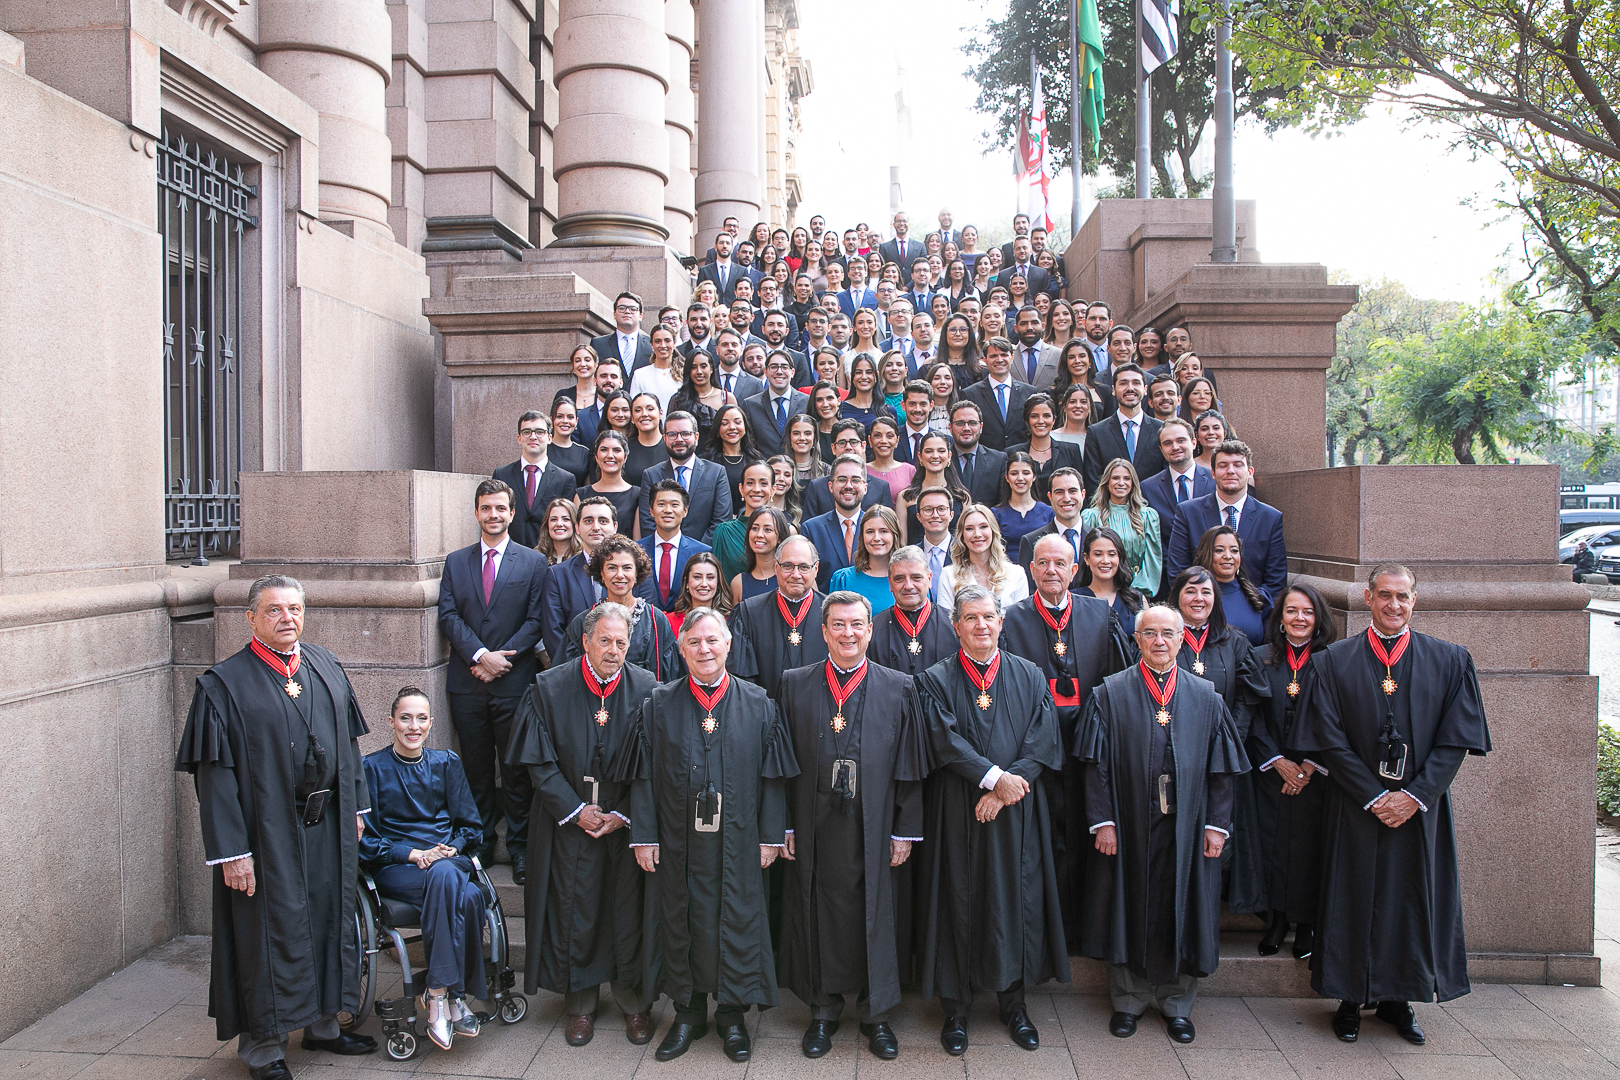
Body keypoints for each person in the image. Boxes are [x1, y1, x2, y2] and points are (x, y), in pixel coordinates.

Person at [176, 575, 375, 1079]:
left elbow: (349, 748)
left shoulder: (325, 665)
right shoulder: (223, 685)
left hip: (327, 825)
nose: (287, 618)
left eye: (294, 609)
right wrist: (230, 851)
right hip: (264, 836)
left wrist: (356, 808)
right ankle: (264, 1049)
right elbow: (214, 778)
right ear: (250, 618)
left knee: (328, 923)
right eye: (274, 610)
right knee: (267, 934)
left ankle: (325, 1027)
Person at [1292, 564, 1491, 1045]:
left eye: (1402, 597)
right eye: (1384, 596)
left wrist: (1415, 796)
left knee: (1409, 899)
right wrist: (1376, 795)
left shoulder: (1449, 660)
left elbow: (1455, 741)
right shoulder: (1333, 661)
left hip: (1420, 810)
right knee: (1352, 898)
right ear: (1367, 597)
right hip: (1355, 805)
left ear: (1415, 601)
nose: (1393, 605)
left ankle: (1399, 1000)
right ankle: (1348, 1000)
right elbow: (1328, 739)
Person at [619, 609, 794, 1062]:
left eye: (712, 641)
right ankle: (688, 1013)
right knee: (681, 921)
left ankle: (732, 1017)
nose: (705, 650)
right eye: (694, 642)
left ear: (729, 644)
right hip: (678, 842)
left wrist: (771, 836)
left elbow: (774, 779)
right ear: (681, 649)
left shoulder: (759, 703)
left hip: (739, 840)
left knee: (736, 919)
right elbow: (643, 778)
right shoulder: (658, 704)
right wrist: (645, 836)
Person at [1076, 603, 1248, 1045]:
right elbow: (1094, 769)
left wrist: (1216, 825)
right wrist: (1104, 822)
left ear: (1181, 639)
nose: (1158, 641)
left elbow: (1222, 772)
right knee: (1127, 904)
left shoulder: (1206, 697)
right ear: (1137, 640)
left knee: (1185, 906)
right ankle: (1128, 1001)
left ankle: (1176, 1003)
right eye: (1149, 633)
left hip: (1187, 828)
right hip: (1129, 824)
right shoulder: (1110, 694)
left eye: (1168, 633)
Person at [914, 586, 1068, 1055]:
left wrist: (1003, 791)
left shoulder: (1030, 674)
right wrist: (993, 777)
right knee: (956, 900)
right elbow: (942, 740)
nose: (981, 626)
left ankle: (1013, 1005)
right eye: (970, 618)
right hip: (956, 809)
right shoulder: (934, 679)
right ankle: (955, 1011)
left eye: (988, 617)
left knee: (1014, 902)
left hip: (1016, 814)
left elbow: (1043, 740)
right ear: (955, 626)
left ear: (1001, 622)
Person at [777, 592, 927, 1060]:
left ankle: (875, 1013)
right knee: (817, 910)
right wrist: (783, 825)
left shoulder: (899, 686)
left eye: (857, 625)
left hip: (876, 820)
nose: (848, 633)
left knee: (877, 911)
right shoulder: (794, 683)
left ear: (870, 629)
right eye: (838, 625)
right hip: (813, 820)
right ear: (823, 632)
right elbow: (778, 762)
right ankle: (822, 1010)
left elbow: (910, 764)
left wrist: (905, 829)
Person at [508, 603, 658, 1047]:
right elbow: (537, 759)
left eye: (622, 643)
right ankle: (580, 1005)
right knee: (577, 911)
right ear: (586, 640)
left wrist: (624, 812)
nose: (614, 650)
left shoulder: (649, 689)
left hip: (624, 823)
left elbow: (658, 764)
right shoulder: (549, 687)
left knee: (625, 913)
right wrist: (575, 809)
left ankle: (634, 1004)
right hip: (566, 822)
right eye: (606, 641)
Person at [999, 535, 1133, 954]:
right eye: (1043, 563)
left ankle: (1087, 930)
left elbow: (1118, 681)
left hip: (1089, 747)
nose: (1051, 571)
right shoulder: (1013, 619)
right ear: (1032, 570)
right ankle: (1049, 933)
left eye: (1060, 563)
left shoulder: (1100, 613)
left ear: (1076, 571)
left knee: (1088, 835)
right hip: (1037, 748)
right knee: (1046, 839)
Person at [361, 689, 487, 1051]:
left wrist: (454, 847)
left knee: (446, 872)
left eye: (421, 719)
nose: (413, 726)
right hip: (399, 866)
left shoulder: (446, 762)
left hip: (446, 858)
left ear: (431, 723)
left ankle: (437, 994)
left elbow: (471, 827)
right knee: (469, 894)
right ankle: (453, 997)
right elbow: (367, 842)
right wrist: (413, 853)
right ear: (391, 723)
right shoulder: (371, 768)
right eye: (405, 718)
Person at [436, 479, 549, 883]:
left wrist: (501, 659)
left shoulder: (533, 562)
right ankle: (481, 842)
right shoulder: (456, 561)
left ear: (512, 512)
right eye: (486, 508)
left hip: (513, 682)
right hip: (467, 682)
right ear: (477, 512)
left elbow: (537, 620)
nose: (494, 515)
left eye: (501, 508)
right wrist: (481, 655)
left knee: (516, 770)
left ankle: (519, 848)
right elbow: (448, 616)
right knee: (477, 769)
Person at [1167, 566, 1271, 917]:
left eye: (1206, 592)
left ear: (1216, 599)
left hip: (1222, 754)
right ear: (1177, 597)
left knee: (1219, 832)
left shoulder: (1234, 640)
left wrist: (1231, 734)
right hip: (1172, 754)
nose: (1198, 599)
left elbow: (1250, 695)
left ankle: (1215, 905)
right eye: (1190, 592)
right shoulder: (1163, 637)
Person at [1251, 583, 1336, 962]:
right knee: (1274, 846)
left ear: (1318, 619)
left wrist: (1307, 766)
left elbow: (1338, 719)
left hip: (1315, 774)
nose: (1299, 618)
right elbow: (1250, 714)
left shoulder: (1333, 660)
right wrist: (1278, 762)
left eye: (1307, 612)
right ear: (1280, 619)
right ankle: (1278, 920)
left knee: (1306, 848)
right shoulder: (1260, 658)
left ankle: (1306, 925)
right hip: (1271, 770)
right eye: (1291, 611)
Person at [1167, 438, 1288, 600]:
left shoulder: (1270, 518)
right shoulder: (1188, 513)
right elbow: (1177, 572)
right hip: (1201, 611)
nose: (1230, 471)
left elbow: (1276, 582)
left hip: (1252, 611)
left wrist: (1246, 606)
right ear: (1213, 473)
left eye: (1238, 465)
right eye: (1223, 466)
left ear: (1250, 472)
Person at [561, 534, 682, 680]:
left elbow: (672, 678)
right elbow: (565, 678)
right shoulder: (583, 621)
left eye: (627, 568)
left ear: (636, 572)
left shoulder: (656, 621)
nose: (619, 575)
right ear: (601, 573)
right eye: (612, 568)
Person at [727, 533, 830, 700]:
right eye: (787, 566)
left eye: (804, 567)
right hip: (765, 718)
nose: (796, 574)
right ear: (776, 567)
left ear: (816, 569)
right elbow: (741, 680)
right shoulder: (748, 613)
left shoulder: (832, 614)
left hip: (819, 718)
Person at [638, 410, 733, 543]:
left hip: (705, 556)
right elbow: (648, 522)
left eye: (685, 433)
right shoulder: (651, 475)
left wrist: (696, 551)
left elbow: (721, 521)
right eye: (672, 434)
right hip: (664, 553)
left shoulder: (716, 473)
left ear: (696, 437)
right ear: (664, 438)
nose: (679, 439)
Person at [541, 496, 615, 657]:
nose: (596, 527)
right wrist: (578, 670)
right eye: (588, 521)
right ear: (577, 527)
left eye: (603, 521)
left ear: (615, 526)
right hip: (575, 673)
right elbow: (553, 633)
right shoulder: (557, 575)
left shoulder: (634, 573)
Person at [869, 545, 959, 674]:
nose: (908, 586)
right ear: (890, 583)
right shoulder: (873, 631)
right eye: (899, 579)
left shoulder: (954, 626)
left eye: (916, 577)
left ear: (929, 579)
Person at [495, 412, 579, 548]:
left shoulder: (565, 479)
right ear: (519, 438)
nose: (533, 437)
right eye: (526, 432)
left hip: (548, 555)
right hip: (510, 554)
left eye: (540, 432)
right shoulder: (502, 474)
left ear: (550, 438)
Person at [1082, 458, 1164, 595]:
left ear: (1133, 484)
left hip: (1136, 593)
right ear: (1107, 482)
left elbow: (1153, 559)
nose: (1121, 483)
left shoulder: (1148, 516)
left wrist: (1136, 593)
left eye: (1127, 478)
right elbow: (1087, 559)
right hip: (1100, 592)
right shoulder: (1090, 516)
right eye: (1115, 478)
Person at [935, 503, 1030, 617]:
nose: (977, 534)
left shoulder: (1017, 574)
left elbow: (1021, 621)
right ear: (962, 536)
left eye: (983, 527)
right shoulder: (948, 575)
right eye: (969, 529)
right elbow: (946, 625)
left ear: (993, 531)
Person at [1084, 364, 1165, 494]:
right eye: (1123, 383)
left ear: (1145, 390)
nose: (1130, 388)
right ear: (1113, 390)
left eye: (1136, 383)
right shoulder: (1097, 432)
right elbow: (1093, 481)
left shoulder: (1161, 430)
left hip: (1152, 509)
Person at [1140, 418, 1214, 558]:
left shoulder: (1215, 482)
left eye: (1181, 440)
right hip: (1168, 572)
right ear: (1161, 449)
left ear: (1193, 442)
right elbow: (1152, 540)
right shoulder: (1147, 489)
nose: (1175, 447)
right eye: (1168, 443)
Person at [638, 479, 713, 613]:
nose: (667, 510)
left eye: (674, 504)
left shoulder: (701, 552)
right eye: (661, 504)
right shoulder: (636, 550)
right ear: (651, 511)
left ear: (685, 511)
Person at [1195, 525, 1270, 645]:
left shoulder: (1259, 597)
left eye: (1234, 551)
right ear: (1206, 554)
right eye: (1219, 550)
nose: (1228, 556)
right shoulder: (1194, 599)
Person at [802, 419, 894, 518]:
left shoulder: (881, 488)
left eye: (853, 442)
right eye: (842, 443)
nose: (848, 447)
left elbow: (887, 526)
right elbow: (809, 528)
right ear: (833, 448)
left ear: (863, 446)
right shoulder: (817, 487)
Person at [1016, 466, 1087, 587]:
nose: (1066, 498)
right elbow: (1028, 590)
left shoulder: (1096, 539)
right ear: (1050, 497)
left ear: (1083, 494)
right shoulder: (1031, 541)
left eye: (1072, 491)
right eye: (1059, 492)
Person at [962, 336, 1033, 451]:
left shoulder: (1029, 392)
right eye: (993, 356)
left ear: (1012, 357)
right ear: (984, 360)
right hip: (987, 461)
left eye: (1004, 355)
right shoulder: (970, 394)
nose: (999, 360)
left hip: (1021, 459)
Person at [1008, 392, 1083, 500]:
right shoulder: (1012, 453)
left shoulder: (1071, 451)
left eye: (1046, 416)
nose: (1041, 421)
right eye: (1034, 416)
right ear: (1027, 421)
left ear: (1054, 420)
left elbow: (1079, 489)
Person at [712, 460, 777, 583]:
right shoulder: (725, 532)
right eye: (750, 483)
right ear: (741, 489)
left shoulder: (784, 529)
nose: (756, 489)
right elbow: (718, 580)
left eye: (763, 483)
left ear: (773, 489)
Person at [829, 504, 901, 613]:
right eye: (870, 532)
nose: (876, 538)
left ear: (894, 535)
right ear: (862, 536)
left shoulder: (909, 580)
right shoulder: (843, 579)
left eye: (883, 531)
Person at [1079, 527, 1147, 636]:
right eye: (1098, 554)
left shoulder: (1136, 599)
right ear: (1086, 558)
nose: (1105, 561)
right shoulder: (1074, 599)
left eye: (1112, 554)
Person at [741, 350, 809, 458]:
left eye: (784, 367)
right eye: (773, 367)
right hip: (763, 470)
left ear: (792, 372)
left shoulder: (807, 402)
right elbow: (749, 446)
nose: (779, 371)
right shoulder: (750, 405)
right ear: (765, 372)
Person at [578, 430, 641, 537]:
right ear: (596, 457)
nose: (610, 455)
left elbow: (637, 540)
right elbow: (578, 539)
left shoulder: (637, 495)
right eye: (604, 450)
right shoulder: (581, 495)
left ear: (625, 457)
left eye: (616, 450)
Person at [993, 451, 1055, 558]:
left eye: (1026, 473)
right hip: (1007, 571)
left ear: (1034, 476)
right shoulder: (996, 514)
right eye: (1014, 473)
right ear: (1007, 478)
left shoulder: (1049, 512)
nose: (1020, 478)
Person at [948, 399, 1008, 507]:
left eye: (972, 423)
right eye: (960, 423)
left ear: (981, 427)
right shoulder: (942, 459)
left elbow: (1002, 503)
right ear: (950, 427)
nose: (966, 428)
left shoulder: (998, 460)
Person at [729, 506, 789, 604]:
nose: (759, 534)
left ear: (780, 538)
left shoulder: (793, 577)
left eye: (768, 529)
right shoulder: (738, 583)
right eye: (755, 528)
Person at [668, 551, 732, 636]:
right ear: (687, 582)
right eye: (697, 577)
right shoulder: (668, 622)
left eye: (710, 577)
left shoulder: (731, 622)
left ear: (718, 583)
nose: (704, 584)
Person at [592, 291, 653, 377]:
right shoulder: (598, 344)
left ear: (640, 316)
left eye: (633, 309)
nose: (627, 311)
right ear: (614, 314)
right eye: (622, 308)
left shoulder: (651, 344)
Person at [867, 414, 915, 495]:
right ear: (870, 440)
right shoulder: (862, 470)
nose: (884, 441)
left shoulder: (909, 470)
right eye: (877, 436)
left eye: (889, 436)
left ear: (897, 441)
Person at [549, 399, 591, 487]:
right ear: (551, 420)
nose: (565, 421)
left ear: (576, 421)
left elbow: (587, 487)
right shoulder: (542, 450)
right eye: (560, 416)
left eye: (570, 417)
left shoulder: (584, 453)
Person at [537, 498, 583, 565]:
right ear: (547, 524)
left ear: (575, 524)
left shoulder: (584, 558)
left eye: (566, 519)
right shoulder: (536, 557)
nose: (559, 524)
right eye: (553, 519)